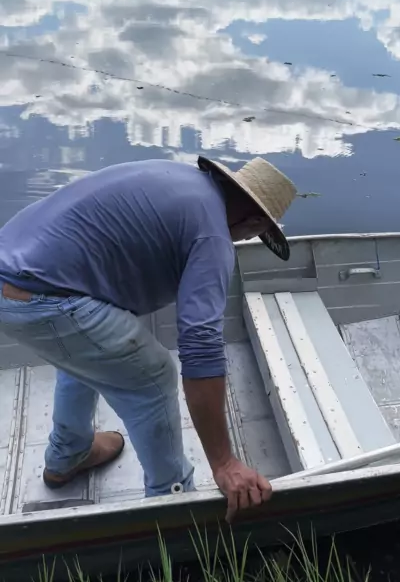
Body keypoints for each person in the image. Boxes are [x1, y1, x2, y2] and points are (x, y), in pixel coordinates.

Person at [0, 155, 296, 522]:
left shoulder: (178, 178)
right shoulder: (212, 235)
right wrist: (223, 461)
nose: (245, 239)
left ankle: (69, 453)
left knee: (86, 350)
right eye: (254, 235)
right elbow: (200, 341)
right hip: (38, 296)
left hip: (15, 268)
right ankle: (170, 500)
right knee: (154, 378)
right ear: (254, 222)